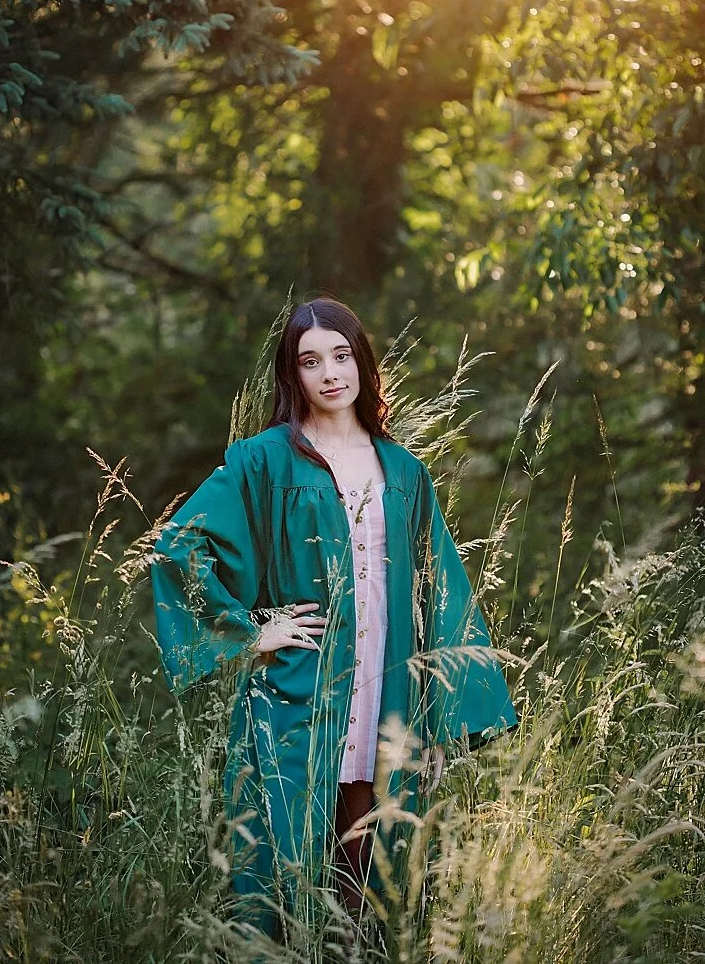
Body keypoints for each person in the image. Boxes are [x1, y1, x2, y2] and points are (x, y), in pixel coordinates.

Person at [151, 296, 516, 937]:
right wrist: (250, 631)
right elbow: (180, 544)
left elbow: (441, 596)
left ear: (361, 363)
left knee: (376, 881)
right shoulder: (264, 460)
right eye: (311, 360)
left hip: (389, 684)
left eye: (342, 355)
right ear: (294, 376)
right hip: (301, 683)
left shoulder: (403, 471)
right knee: (282, 861)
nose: (330, 373)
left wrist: (436, 718)